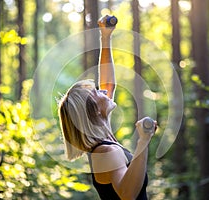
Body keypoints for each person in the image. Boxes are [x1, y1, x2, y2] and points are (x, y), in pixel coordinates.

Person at [58, 15, 157, 200]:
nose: (103, 90)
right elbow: (127, 195)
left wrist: (105, 38)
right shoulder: (106, 151)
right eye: (96, 92)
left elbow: (108, 84)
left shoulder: (103, 140)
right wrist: (143, 141)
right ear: (95, 111)